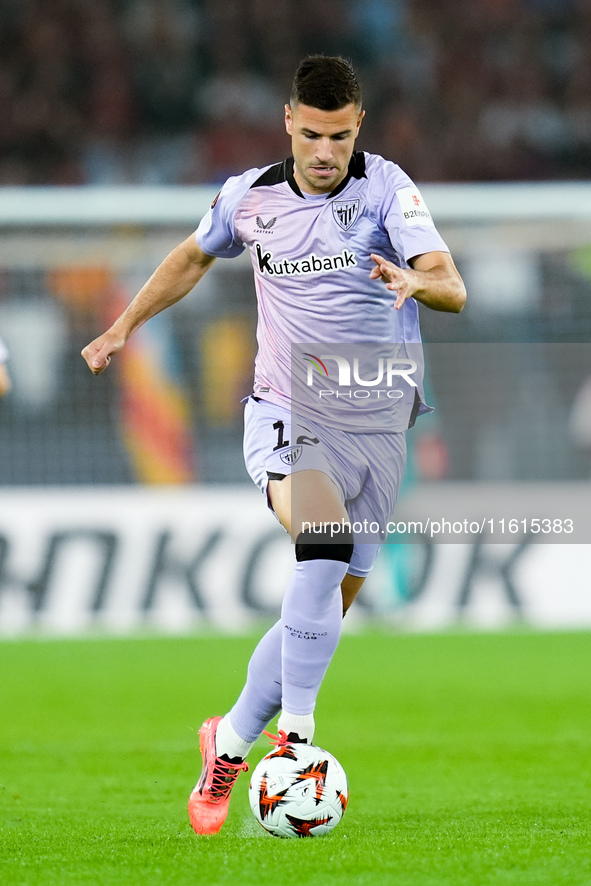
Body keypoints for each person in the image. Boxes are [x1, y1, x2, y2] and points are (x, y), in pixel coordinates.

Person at [81, 55, 466, 835]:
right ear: (288, 120)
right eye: (313, 134)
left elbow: (450, 283)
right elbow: (193, 255)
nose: (326, 152)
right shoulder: (246, 198)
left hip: (378, 417)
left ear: (358, 128)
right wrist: (124, 327)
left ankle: (225, 743)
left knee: (326, 596)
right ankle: (294, 736)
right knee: (320, 548)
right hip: (289, 407)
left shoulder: (388, 190)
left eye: (340, 136)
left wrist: (415, 283)